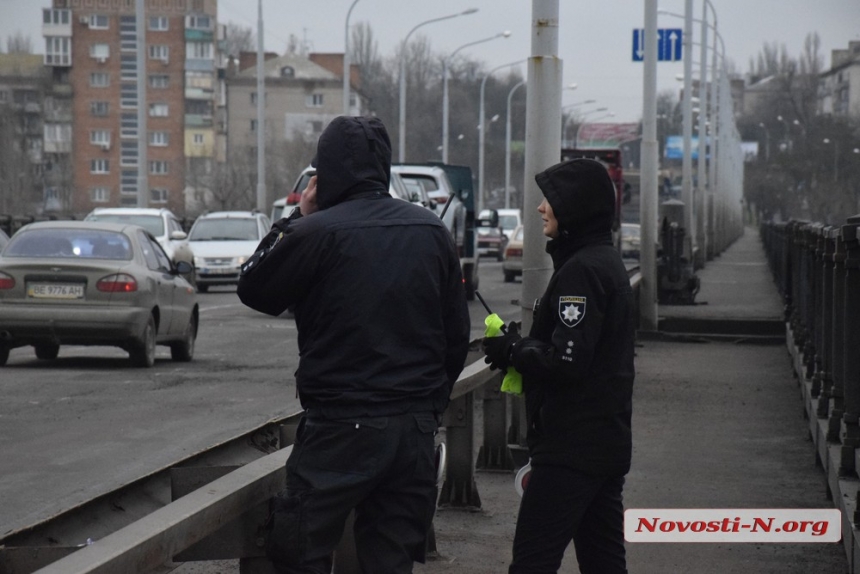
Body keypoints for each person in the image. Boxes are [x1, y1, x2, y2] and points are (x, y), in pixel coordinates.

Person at [237, 115, 470, 574]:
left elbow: (254, 288)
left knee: (299, 552)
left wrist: (295, 218)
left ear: (325, 174)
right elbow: (456, 337)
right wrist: (427, 408)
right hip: (413, 431)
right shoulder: (430, 231)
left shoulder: (315, 232)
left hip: (340, 429)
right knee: (392, 560)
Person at [482, 158, 635, 574]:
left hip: (571, 449)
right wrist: (526, 344)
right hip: (604, 442)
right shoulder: (604, 261)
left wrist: (513, 351)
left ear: (575, 208)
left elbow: (567, 362)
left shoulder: (581, 272)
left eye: (550, 199)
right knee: (604, 563)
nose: (540, 208)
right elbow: (587, 351)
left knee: (532, 562)